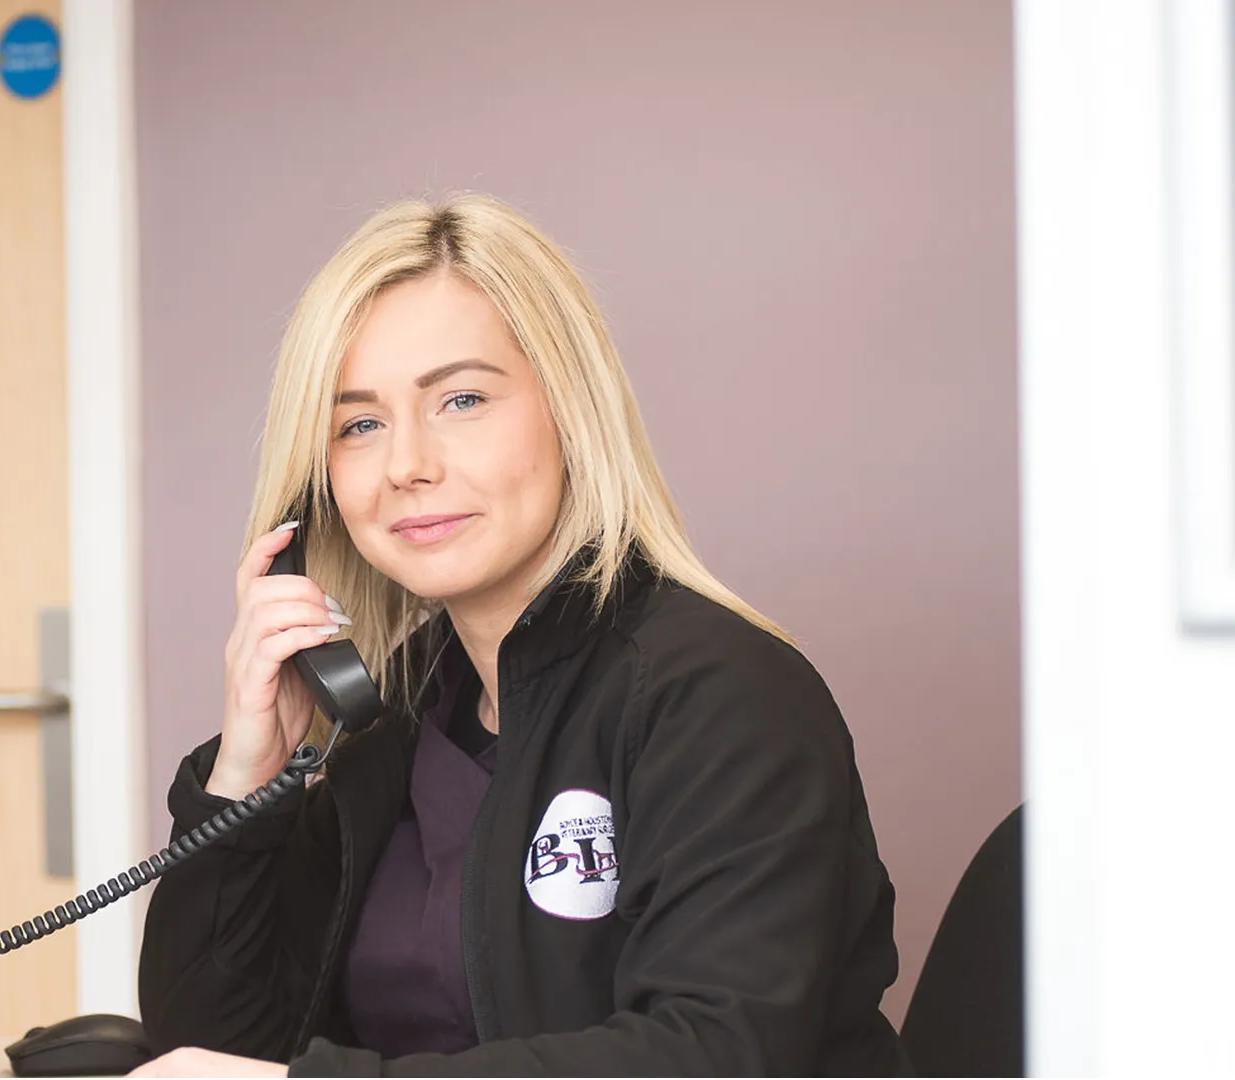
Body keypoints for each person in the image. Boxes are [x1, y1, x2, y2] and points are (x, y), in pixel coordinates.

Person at [128, 194, 910, 1077]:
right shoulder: (396, 719)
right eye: (359, 425)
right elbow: (212, 1047)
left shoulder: (724, 694)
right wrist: (247, 780)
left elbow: (713, 1052)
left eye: (461, 400)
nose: (407, 465)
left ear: (571, 413)